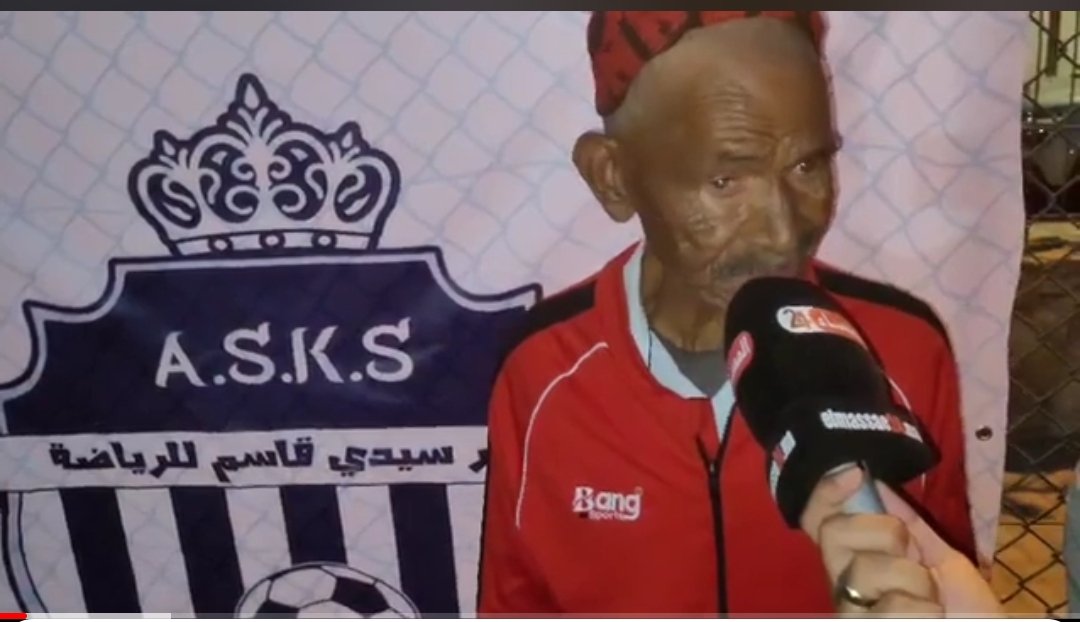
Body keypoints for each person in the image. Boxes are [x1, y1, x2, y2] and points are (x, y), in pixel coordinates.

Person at [477, 10, 1000, 616]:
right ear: (612, 177)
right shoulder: (543, 374)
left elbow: (947, 578)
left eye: (807, 166)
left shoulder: (902, 351)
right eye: (725, 181)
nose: (782, 233)